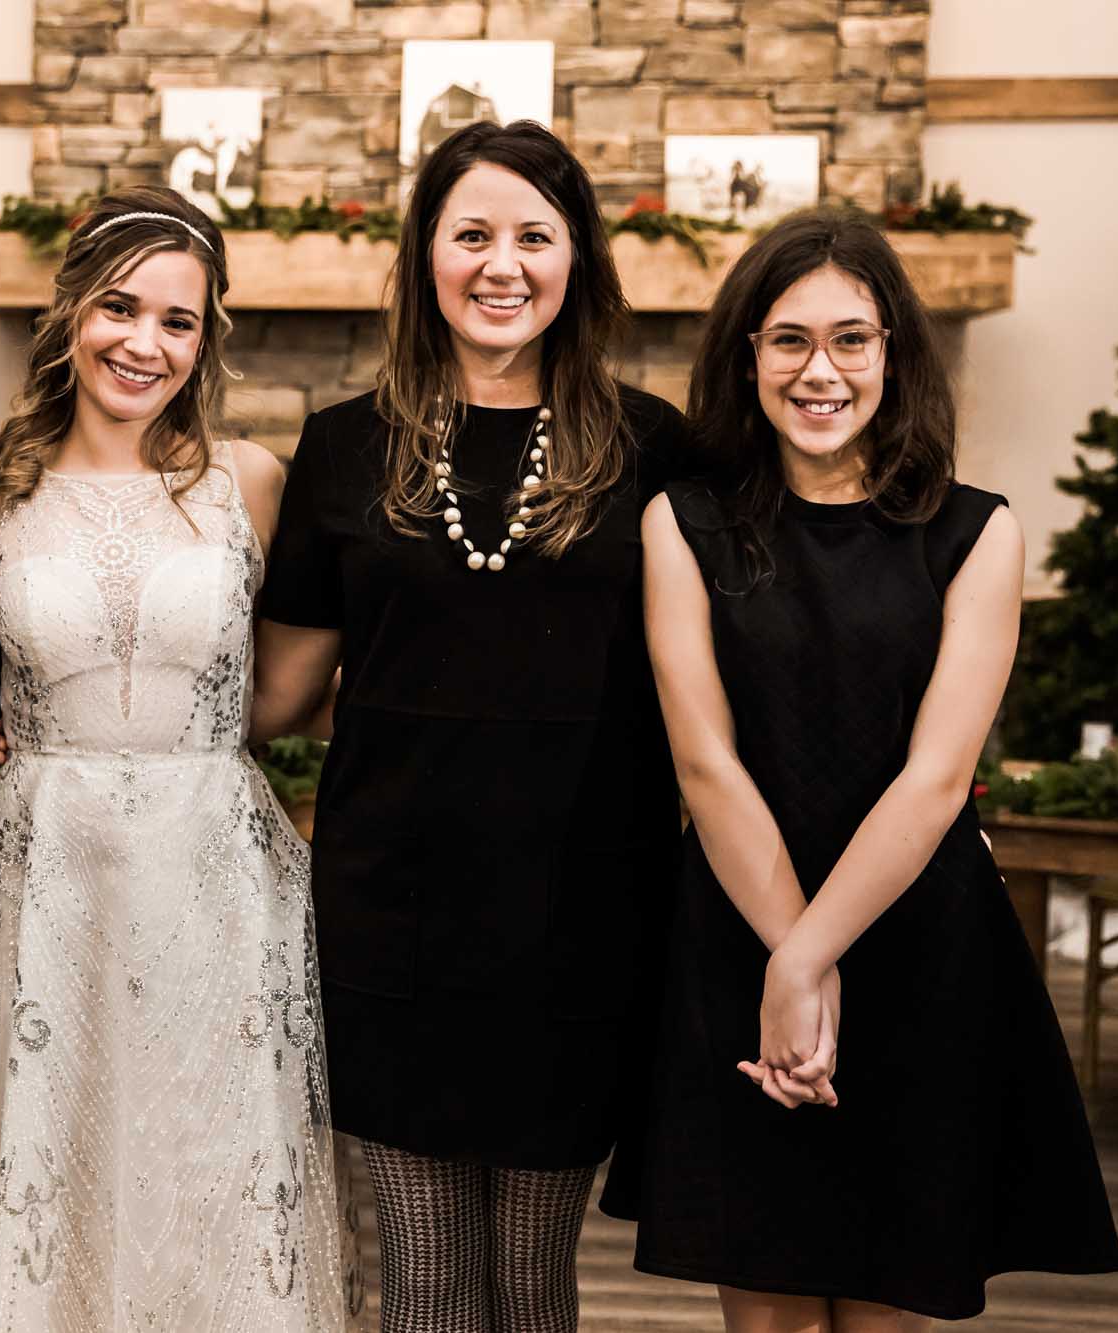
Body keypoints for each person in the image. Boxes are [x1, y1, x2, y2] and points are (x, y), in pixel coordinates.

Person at [603, 208, 1118, 1329]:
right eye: (787, 339)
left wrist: (809, 959)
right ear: (746, 355)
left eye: (850, 338)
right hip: (740, 926)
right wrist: (788, 959)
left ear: (892, 353)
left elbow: (936, 780)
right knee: (771, 1303)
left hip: (917, 946)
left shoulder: (976, 533)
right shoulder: (679, 524)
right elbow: (705, 765)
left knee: (885, 1302)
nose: (819, 369)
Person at [250, 120, 687, 1332]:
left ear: (577, 259)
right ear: (423, 257)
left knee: (534, 1279)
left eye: (533, 236)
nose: (502, 264)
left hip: (584, 915)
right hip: (393, 916)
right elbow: (272, 694)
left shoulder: (654, 448)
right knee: (428, 1276)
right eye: (471, 234)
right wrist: (60, 709)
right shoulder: (344, 447)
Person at [0, 185, 353, 1332]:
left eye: (178, 320)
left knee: (204, 1156)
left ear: (206, 339)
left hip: (210, 874)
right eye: (120, 308)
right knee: (52, 1153)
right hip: (44, 870)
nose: (144, 343)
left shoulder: (249, 481)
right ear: (69, 313)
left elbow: (286, 689)